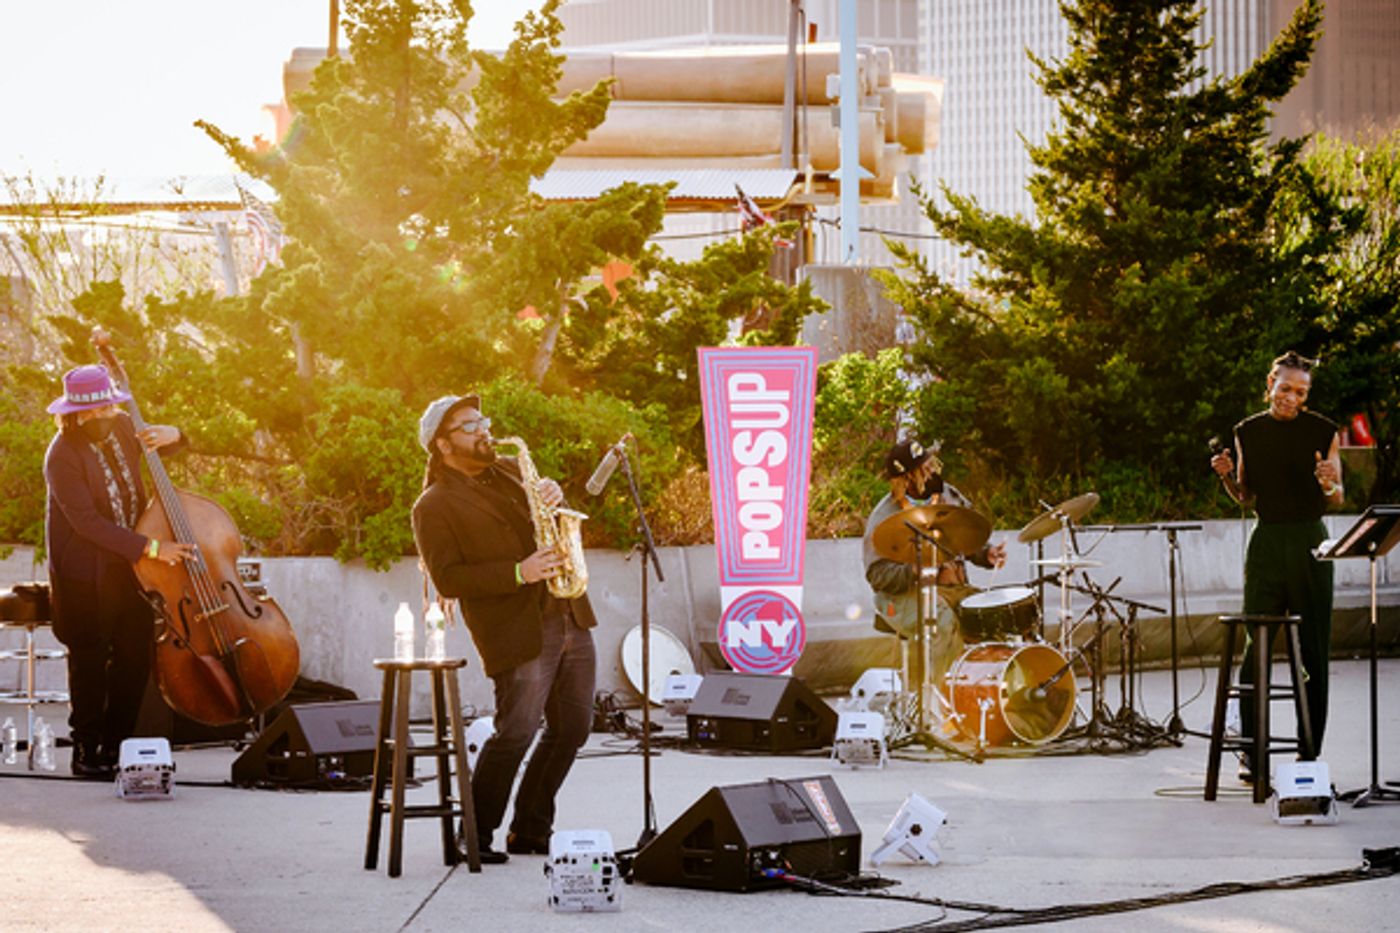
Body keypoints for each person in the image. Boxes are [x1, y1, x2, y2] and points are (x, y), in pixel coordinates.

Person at [412, 394, 597, 864]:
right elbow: (448, 579)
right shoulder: (433, 505)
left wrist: (555, 499)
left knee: (573, 727)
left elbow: (547, 526)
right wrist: (520, 572)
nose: (483, 431)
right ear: (443, 444)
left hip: (566, 609)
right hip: (516, 626)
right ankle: (472, 835)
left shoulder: (515, 471)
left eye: (483, 421)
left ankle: (531, 829)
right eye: (470, 426)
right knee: (516, 729)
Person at [44, 364, 195, 779]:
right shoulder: (61, 455)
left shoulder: (125, 425)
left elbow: (168, 448)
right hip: (85, 572)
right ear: (72, 412)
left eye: (105, 409)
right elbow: (87, 524)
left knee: (134, 656)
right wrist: (151, 548)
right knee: (89, 660)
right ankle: (87, 750)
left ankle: (119, 745)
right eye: (88, 413)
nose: (99, 418)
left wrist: (176, 436)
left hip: (131, 567)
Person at [1211, 350, 1342, 780]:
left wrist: (1328, 483)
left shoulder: (1323, 430)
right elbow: (1246, 495)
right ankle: (1253, 753)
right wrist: (1227, 476)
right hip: (1266, 543)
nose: (1291, 398)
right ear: (1270, 384)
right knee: (1257, 648)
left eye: (1301, 392)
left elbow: (1337, 496)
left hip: (1309, 542)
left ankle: (1309, 754)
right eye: (1285, 388)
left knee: (1313, 650)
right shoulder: (1248, 430)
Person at [863, 439, 1006, 694]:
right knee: (942, 622)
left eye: (930, 462)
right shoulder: (884, 516)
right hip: (900, 596)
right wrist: (914, 570)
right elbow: (877, 576)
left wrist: (987, 554)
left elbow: (966, 538)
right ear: (908, 477)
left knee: (994, 614)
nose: (932, 468)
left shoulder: (948, 495)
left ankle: (986, 702)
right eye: (924, 467)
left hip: (951, 588)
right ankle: (935, 703)